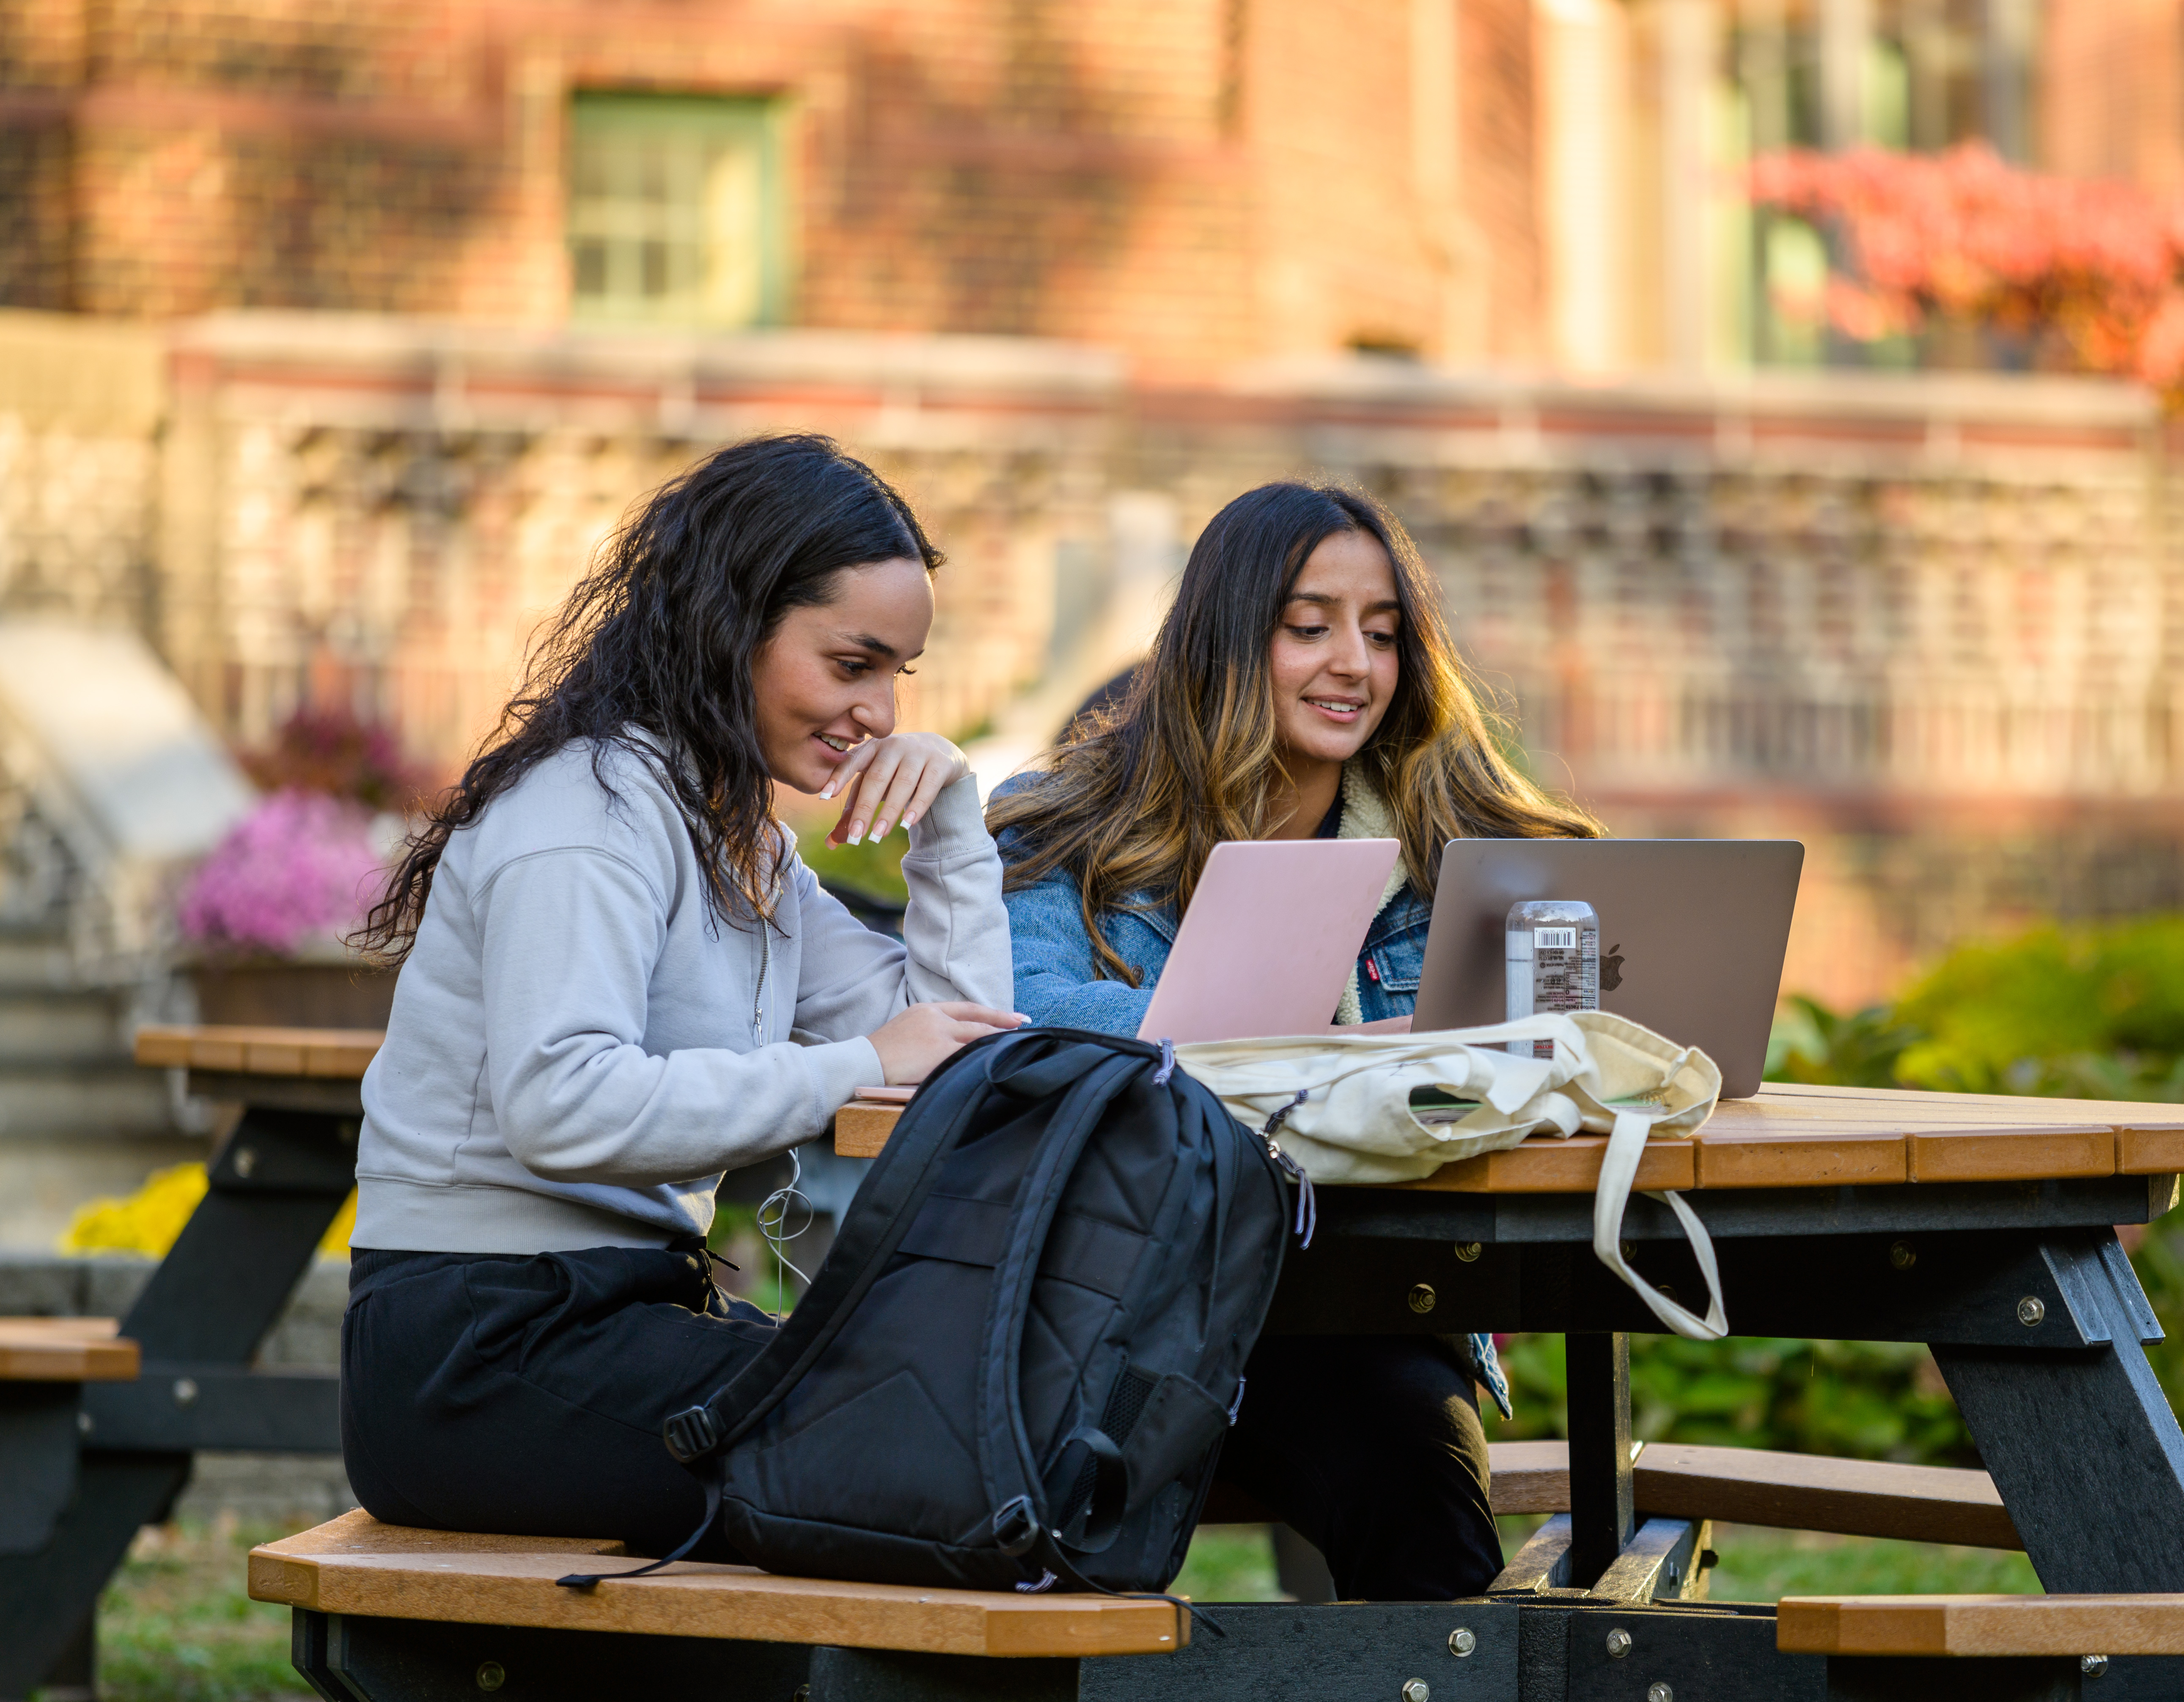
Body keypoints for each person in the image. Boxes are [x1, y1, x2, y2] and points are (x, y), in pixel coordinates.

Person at [340, 435, 1021, 1557]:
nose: (880, 714)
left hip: (615, 1322)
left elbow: (958, 1050)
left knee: (967, 1431)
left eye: (898, 675)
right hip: (480, 1358)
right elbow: (562, 1105)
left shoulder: (735, 843)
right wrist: (856, 1066)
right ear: (733, 624)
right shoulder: (588, 820)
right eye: (852, 664)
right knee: (942, 1456)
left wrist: (949, 828)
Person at [988, 480, 1602, 1600]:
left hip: (1350, 1302)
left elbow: (1499, 1058)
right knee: (1034, 1569)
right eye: (1309, 627)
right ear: (1227, 638)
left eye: (1380, 635)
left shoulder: (1436, 836)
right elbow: (1028, 1018)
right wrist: (1305, 1036)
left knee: (1423, 1496)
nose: (1354, 667)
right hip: (1111, 1306)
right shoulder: (1062, 819)